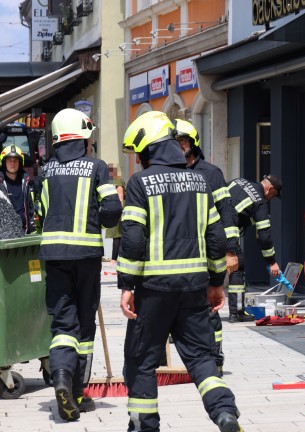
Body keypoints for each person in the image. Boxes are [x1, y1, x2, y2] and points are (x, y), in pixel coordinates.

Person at [117, 111, 241, 432]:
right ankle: (225, 412)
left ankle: (145, 426)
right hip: (194, 290)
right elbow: (216, 238)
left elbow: (132, 237)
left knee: (142, 359)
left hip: (153, 291)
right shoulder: (199, 181)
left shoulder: (139, 183)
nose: (139, 161)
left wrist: (127, 285)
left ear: (150, 150)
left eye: (140, 154)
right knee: (201, 358)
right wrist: (217, 283)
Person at [39, 108, 122, 421]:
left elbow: (41, 210)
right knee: (84, 324)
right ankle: (77, 391)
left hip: (54, 256)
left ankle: (60, 376)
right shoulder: (96, 167)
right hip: (86, 256)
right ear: (83, 139)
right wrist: (99, 219)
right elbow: (112, 210)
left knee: (63, 324)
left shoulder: (46, 170)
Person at [174, 118, 239, 374]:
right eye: (174, 141)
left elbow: (227, 214)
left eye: (182, 141)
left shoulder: (210, 173)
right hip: (177, 256)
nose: (178, 146)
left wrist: (231, 251)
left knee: (209, 310)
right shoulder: (171, 172)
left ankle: (215, 360)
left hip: (206, 255)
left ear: (193, 144)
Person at [227, 174, 282, 323]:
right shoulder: (259, 202)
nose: (271, 199)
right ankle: (236, 312)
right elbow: (264, 236)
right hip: (226, 231)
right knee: (238, 264)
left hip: (209, 227)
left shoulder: (238, 181)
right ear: (270, 189)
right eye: (274, 195)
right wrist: (271, 262)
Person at [0, 145, 36, 234]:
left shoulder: (27, 183)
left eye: (16, 160)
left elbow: (32, 208)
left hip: (25, 232)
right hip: (4, 234)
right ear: (3, 162)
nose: (13, 163)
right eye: (10, 160)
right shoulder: (0, 184)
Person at [104, 164, 125, 265]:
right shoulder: (114, 180)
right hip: (116, 210)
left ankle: (114, 259)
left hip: (118, 211)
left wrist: (119, 211)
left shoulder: (116, 179)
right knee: (117, 235)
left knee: (116, 235)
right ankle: (116, 258)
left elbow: (120, 194)